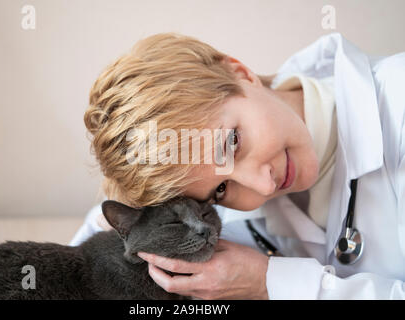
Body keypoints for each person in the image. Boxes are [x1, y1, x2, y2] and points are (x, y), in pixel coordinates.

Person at [70, 32, 405, 299]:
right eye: (220, 190)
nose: (262, 185)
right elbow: (83, 253)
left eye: (232, 143)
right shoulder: (215, 208)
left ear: (239, 72)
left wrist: (270, 284)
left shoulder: (398, 101)